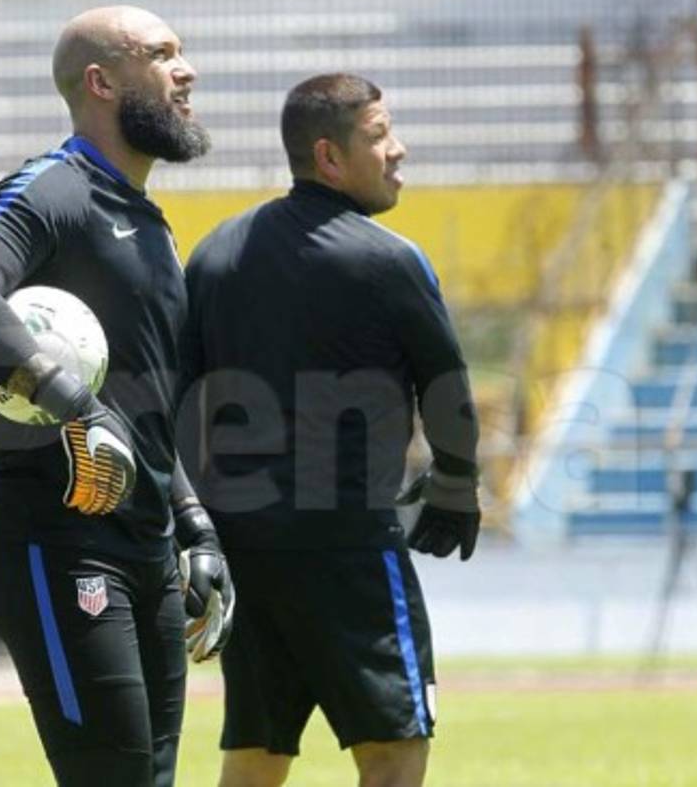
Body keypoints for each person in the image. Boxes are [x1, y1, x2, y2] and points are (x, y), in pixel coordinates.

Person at [0, 6, 235, 787]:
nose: (186, 70)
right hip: (52, 538)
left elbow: (146, 412)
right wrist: (71, 401)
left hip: (144, 542)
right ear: (101, 81)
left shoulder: (151, 224)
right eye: (162, 54)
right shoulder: (54, 189)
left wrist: (194, 524)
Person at [177, 73, 481, 787]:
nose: (398, 149)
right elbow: (447, 385)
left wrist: (192, 521)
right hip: (348, 547)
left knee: (255, 753)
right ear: (330, 157)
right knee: (395, 749)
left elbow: (175, 400)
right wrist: (457, 486)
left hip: (246, 547)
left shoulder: (215, 253)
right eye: (379, 136)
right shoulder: (388, 259)